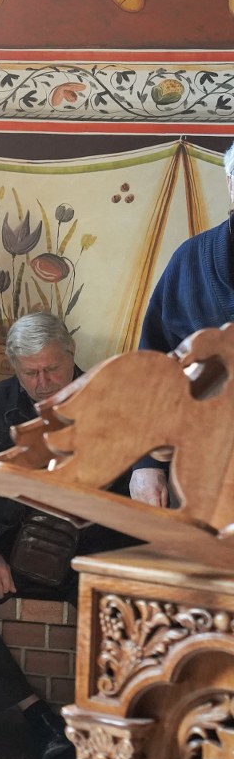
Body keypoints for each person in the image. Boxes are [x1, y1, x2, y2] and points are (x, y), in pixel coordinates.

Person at [0, 311, 132, 759]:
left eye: (52, 369)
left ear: (72, 355)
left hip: (84, 553)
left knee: (119, 599)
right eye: (30, 373)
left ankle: (109, 724)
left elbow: (130, 505)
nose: (42, 383)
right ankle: (36, 717)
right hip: (4, 547)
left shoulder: (112, 406)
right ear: (14, 367)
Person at [129, 143, 234, 508]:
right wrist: (145, 462)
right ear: (230, 183)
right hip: (201, 473)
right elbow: (153, 369)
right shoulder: (190, 261)